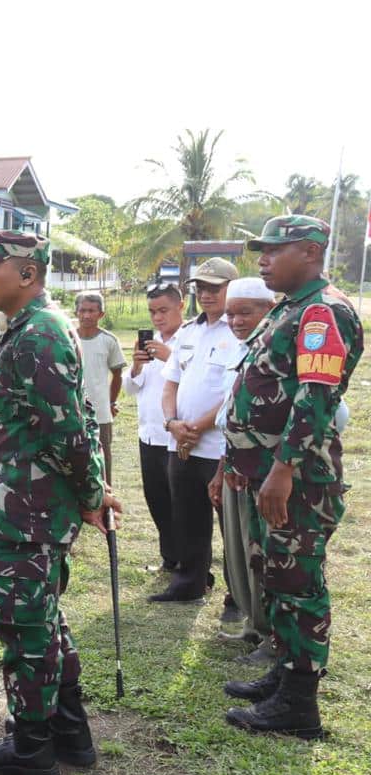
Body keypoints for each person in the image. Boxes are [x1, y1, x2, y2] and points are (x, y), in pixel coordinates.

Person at [0, 231, 120, 775]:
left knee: (23, 624)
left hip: (30, 510)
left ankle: (31, 750)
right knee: (45, 620)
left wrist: (94, 495)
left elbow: (70, 432)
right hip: (31, 506)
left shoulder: (39, 334)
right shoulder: (32, 328)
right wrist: (91, 492)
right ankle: (70, 735)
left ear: (26, 273)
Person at [222, 215, 363, 740]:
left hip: (297, 480)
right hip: (267, 478)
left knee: (299, 584)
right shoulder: (291, 308)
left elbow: (316, 396)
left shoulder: (323, 311)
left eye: (273, 250)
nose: (261, 259)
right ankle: (283, 676)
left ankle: (299, 705)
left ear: (308, 251)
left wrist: (281, 471)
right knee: (278, 579)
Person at [151, 257, 240, 607]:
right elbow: (170, 383)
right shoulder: (189, 331)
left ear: (230, 289)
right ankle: (189, 584)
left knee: (230, 524)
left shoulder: (240, 330)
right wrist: (172, 423)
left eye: (214, 287)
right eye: (200, 287)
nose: (205, 294)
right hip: (182, 443)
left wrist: (198, 426)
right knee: (187, 517)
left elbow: (235, 392)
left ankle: (238, 594)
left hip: (218, 445)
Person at [207, 278, 277, 655]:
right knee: (242, 555)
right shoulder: (246, 351)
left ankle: (273, 635)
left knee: (266, 557)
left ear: (268, 310)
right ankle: (254, 625)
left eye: (244, 312)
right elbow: (232, 420)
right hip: (237, 469)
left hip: (266, 474)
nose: (235, 320)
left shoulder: (280, 352)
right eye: (230, 313)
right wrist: (221, 470)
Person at [122, 283, 184, 572]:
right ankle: (169, 557)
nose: (158, 318)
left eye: (163, 310)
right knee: (156, 499)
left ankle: (191, 564)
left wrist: (169, 356)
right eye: (152, 312)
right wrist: (136, 366)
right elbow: (132, 389)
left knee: (181, 504)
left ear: (180, 307)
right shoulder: (150, 342)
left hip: (176, 436)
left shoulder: (190, 339)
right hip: (148, 434)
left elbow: (198, 379)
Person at [73, 292, 125, 485]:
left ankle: (106, 503)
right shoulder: (67, 338)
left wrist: (111, 401)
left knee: (102, 460)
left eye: (91, 311)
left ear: (101, 314)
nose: (86, 315)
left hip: (100, 413)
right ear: (76, 312)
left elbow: (117, 374)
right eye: (82, 310)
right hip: (72, 410)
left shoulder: (108, 340)